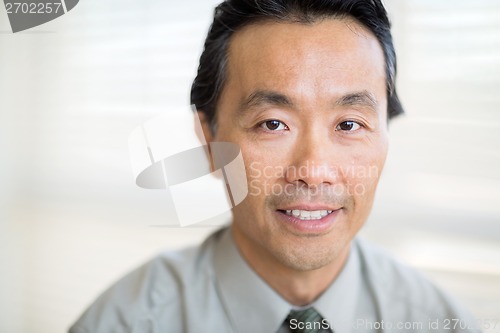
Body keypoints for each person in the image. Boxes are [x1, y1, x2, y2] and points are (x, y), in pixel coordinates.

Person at [69, 1, 481, 332]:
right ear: (210, 142)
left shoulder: (439, 321)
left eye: (350, 124)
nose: (313, 169)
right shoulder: (125, 322)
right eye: (272, 124)